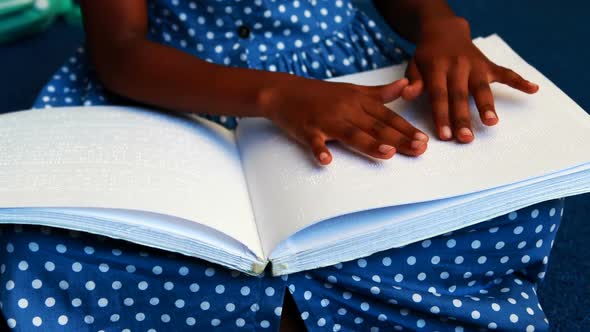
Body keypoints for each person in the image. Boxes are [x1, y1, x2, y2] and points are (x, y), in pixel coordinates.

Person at [0, 1, 562, 331]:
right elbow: (120, 51)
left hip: (340, 69)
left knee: (502, 202)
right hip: (172, 80)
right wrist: (276, 96)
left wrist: (444, 28)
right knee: (52, 236)